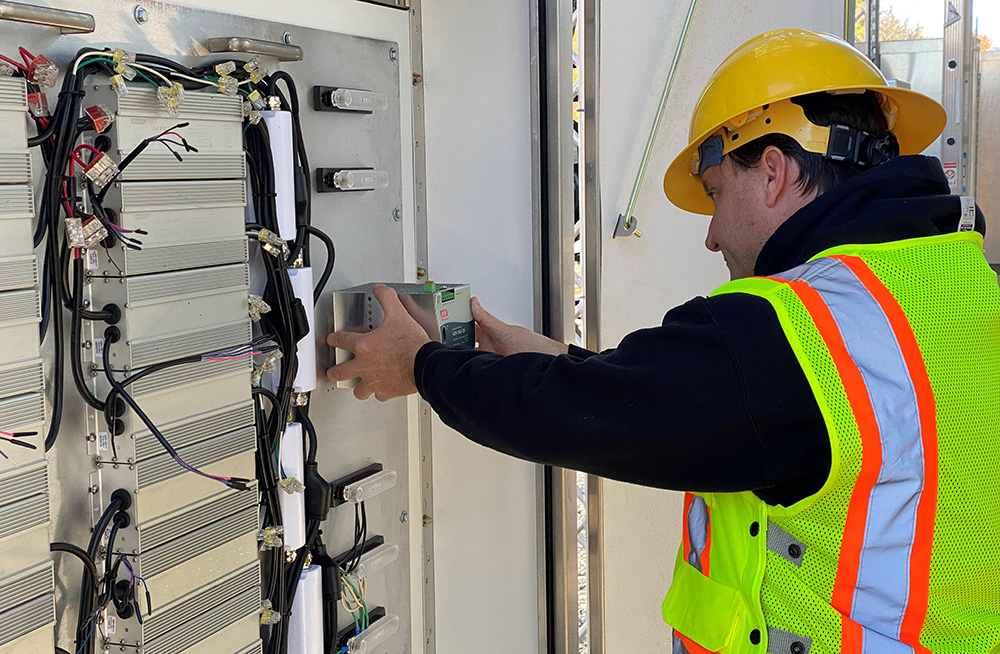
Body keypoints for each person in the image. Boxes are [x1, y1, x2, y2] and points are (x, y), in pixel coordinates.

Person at [326, 29, 1000, 653]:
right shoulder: (964, 289)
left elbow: (592, 419)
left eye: (715, 192)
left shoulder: (795, 328)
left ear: (774, 170)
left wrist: (420, 365)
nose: (711, 237)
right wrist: (563, 363)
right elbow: (726, 409)